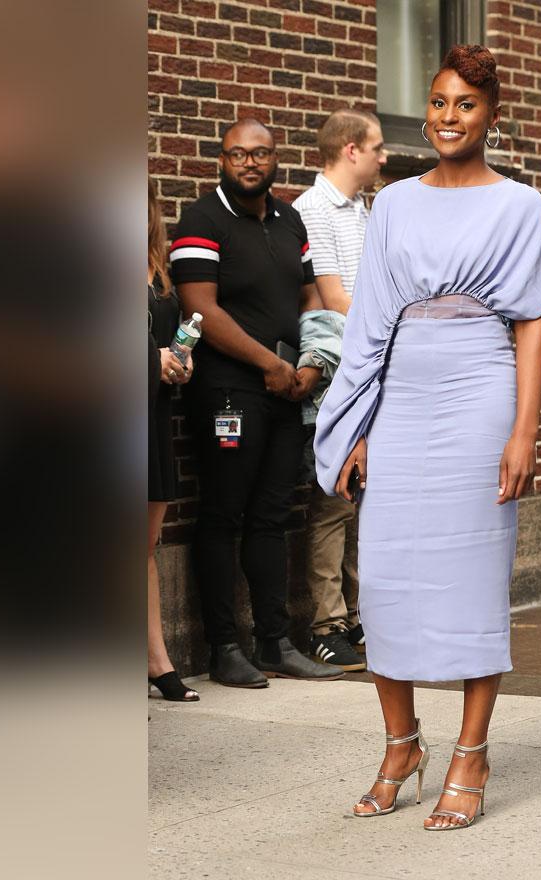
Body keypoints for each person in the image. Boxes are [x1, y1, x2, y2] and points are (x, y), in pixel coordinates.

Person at [314, 46, 541, 829]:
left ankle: (471, 753)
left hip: (478, 388)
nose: (447, 117)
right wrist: (355, 426)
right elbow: (366, 324)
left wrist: (523, 431)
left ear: (492, 115)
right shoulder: (392, 204)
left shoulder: (520, 206)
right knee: (387, 575)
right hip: (402, 391)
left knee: (471, 573)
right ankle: (402, 744)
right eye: (437, 103)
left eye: (465, 104)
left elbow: (531, 324)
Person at [172, 118, 343, 688]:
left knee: (273, 516)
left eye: (261, 153)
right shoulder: (202, 219)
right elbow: (200, 308)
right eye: (237, 154)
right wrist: (268, 364)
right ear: (221, 160)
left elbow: (310, 294)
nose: (250, 162)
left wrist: (314, 360)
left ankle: (273, 641)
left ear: (276, 159)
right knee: (223, 514)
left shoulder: (291, 220)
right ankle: (224, 647)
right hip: (228, 389)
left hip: (287, 387)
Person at [291, 108, 388, 672]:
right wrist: (391, 331)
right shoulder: (312, 211)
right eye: (376, 147)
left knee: (361, 499)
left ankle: (355, 617)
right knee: (332, 499)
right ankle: (326, 626)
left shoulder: (364, 209)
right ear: (350, 149)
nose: (383, 157)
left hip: (371, 362)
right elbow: (333, 299)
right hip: (339, 371)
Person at [147, 179, 199, 702]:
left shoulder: (158, 268)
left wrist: (180, 362)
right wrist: (149, 361)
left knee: (144, 545)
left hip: (154, 415)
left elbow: (172, 334)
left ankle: (155, 659)